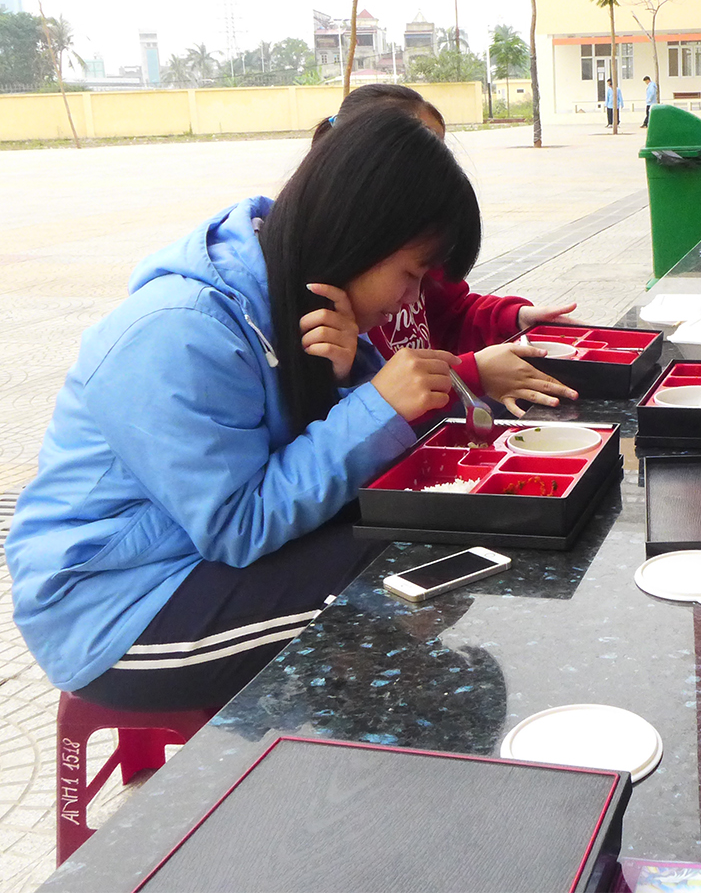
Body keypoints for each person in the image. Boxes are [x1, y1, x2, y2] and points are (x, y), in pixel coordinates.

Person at [6, 106, 485, 711]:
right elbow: (239, 525)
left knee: (425, 551)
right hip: (116, 607)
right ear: (361, 235)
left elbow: (301, 463)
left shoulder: (299, 298)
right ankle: (310, 775)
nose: (412, 300)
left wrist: (342, 380)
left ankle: (346, 739)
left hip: (194, 561)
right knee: (390, 597)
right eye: (412, 275)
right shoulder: (181, 331)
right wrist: (372, 405)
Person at [317, 85, 579, 420]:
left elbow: (452, 312)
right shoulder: (330, 308)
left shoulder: (414, 250)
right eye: (421, 155)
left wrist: (512, 319)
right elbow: (371, 407)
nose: (439, 177)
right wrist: (471, 373)